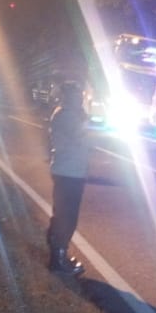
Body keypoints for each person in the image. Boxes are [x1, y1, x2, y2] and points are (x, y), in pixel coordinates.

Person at [46, 80, 90, 275]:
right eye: (77, 96)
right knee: (66, 217)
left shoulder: (72, 115)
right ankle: (58, 259)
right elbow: (67, 142)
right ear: (69, 97)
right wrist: (81, 129)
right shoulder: (64, 115)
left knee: (66, 216)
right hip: (67, 172)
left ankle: (60, 254)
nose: (81, 99)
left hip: (73, 171)